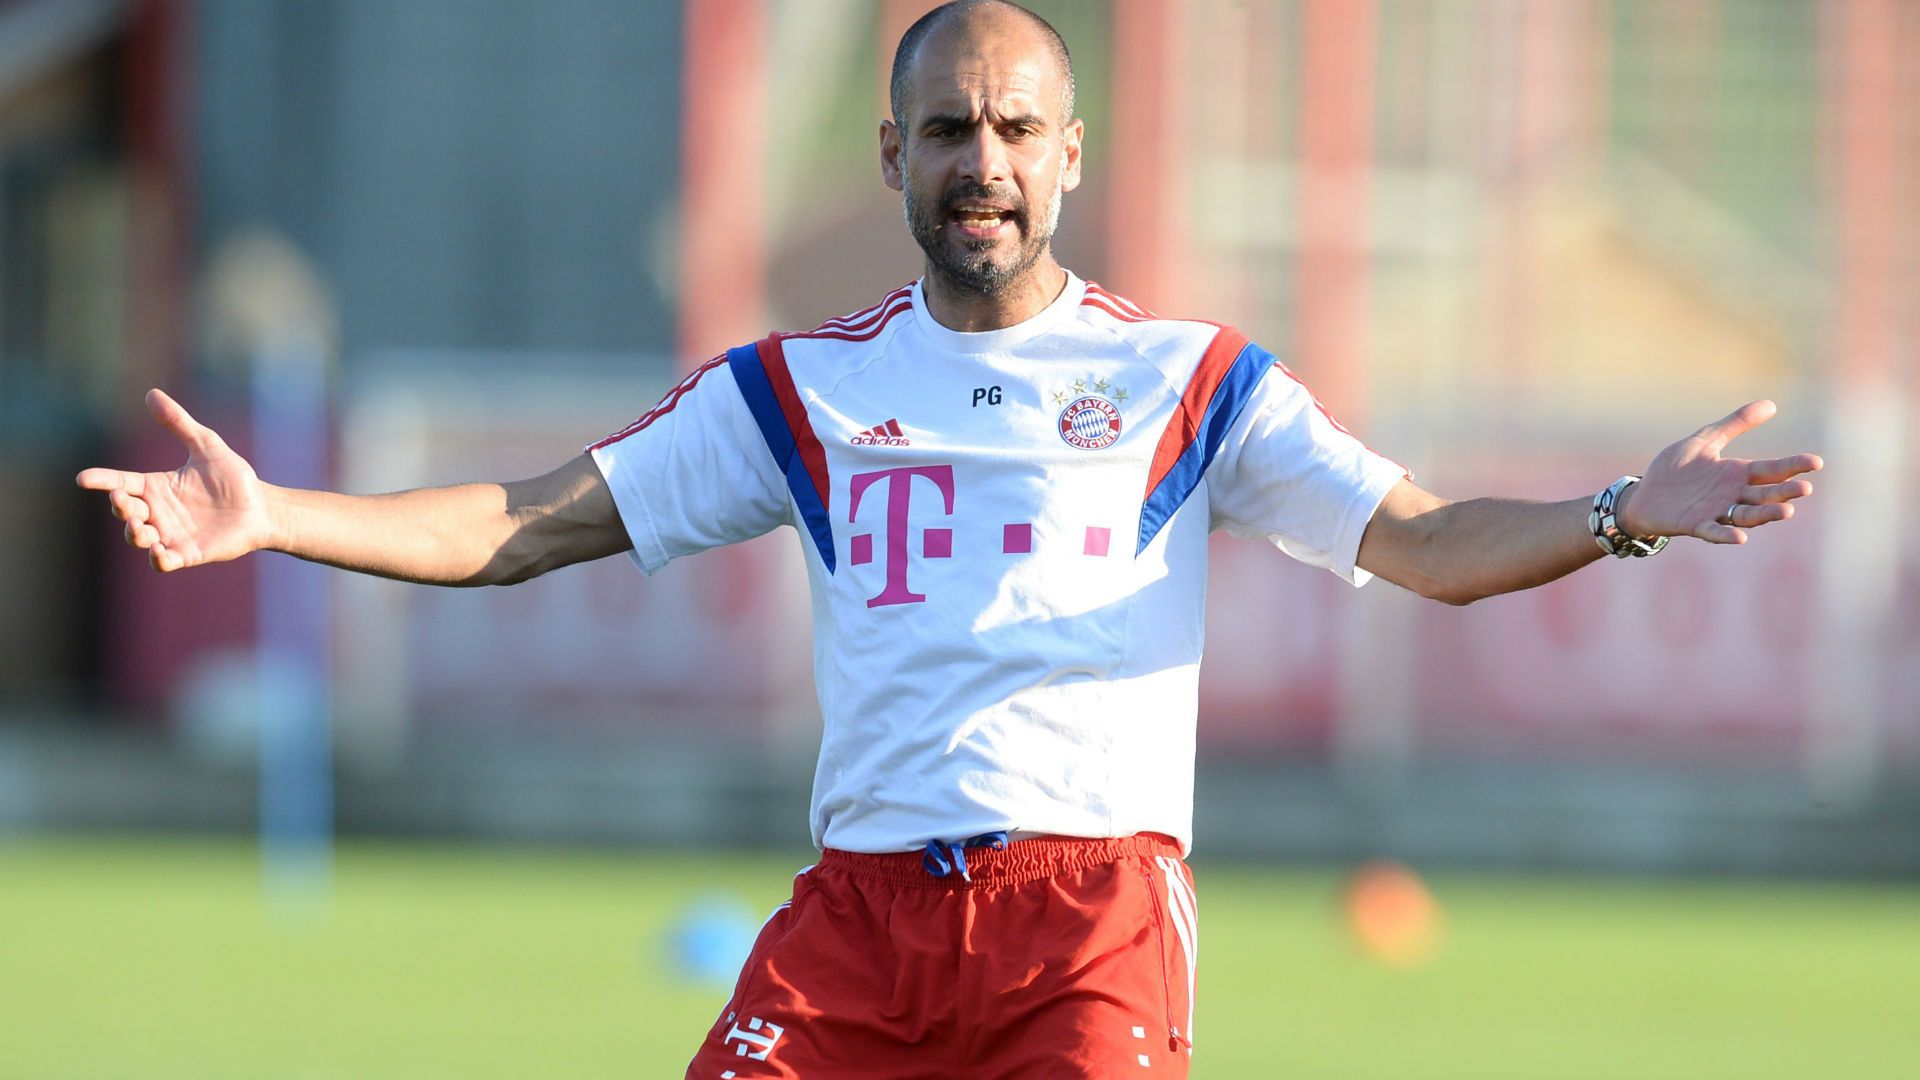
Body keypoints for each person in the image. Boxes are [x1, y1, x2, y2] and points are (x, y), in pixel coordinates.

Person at [78, 2, 1821, 1076]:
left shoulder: (1186, 378)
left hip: (1092, 918)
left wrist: (1615, 518)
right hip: (857, 929)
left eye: (1009, 128)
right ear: (891, 152)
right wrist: (275, 517)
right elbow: (532, 526)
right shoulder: (796, 392)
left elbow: (1426, 541)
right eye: (943, 130)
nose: (976, 159)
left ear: (1069, 152)